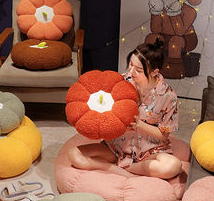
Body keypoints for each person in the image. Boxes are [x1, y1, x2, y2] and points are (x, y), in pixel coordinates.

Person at [67, 39, 181, 179]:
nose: (131, 71)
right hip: (117, 147)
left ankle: (129, 168)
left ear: (154, 72)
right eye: (131, 64)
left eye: (138, 70)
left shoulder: (169, 96)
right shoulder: (122, 81)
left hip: (150, 150)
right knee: (73, 154)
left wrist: (139, 124)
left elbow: (163, 135)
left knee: (173, 166)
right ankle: (118, 169)